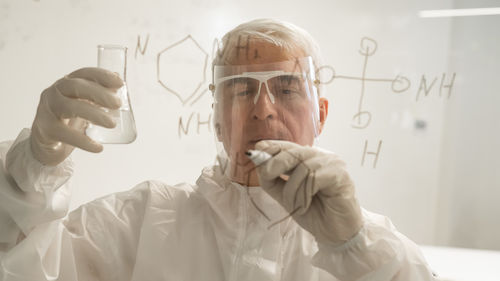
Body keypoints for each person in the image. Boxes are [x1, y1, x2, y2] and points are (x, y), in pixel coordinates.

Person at [0, 19, 439, 281]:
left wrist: (355, 245)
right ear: (215, 118)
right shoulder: (144, 221)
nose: (263, 111)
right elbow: (26, 267)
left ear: (321, 113)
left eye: (286, 88)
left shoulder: (367, 245)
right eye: (241, 89)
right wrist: (31, 169)